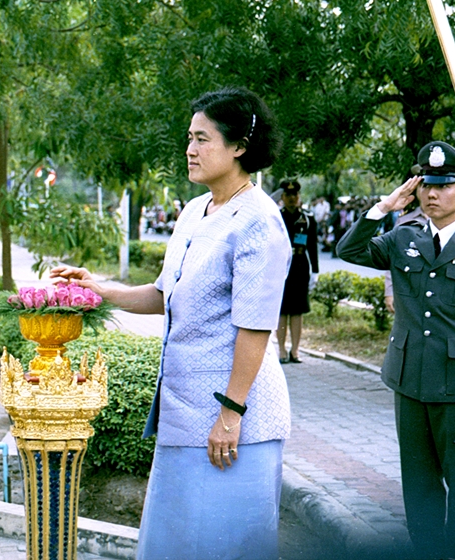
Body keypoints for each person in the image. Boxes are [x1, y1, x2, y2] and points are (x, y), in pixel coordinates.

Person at [52, 87, 292, 559]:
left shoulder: (258, 221)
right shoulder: (194, 211)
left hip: (234, 422)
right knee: (176, 543)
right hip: (184, 413)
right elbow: (166, 295)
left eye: (202, 139)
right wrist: (98, 289)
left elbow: (255, 327)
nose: (190, 149)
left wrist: (230, 415)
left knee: (226, 546)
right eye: (189, 138)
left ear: (240, 146)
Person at [336, 141, 455, 559]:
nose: (432, 194)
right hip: (409, 378)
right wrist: (384, 207)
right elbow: (348, 250)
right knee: (418, 481)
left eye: (444, 186)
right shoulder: (402, 237)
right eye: (427, 185)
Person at [275, 179, 318, 364]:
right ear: (283, 197)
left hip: (300, 265)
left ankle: (295, 350)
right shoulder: (276, 217)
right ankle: (282, 349)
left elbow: (313, 246)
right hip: (280, 266)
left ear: (299, 196)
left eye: (295, 195)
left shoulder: (307, 219)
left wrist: (315, 271)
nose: (292, 198)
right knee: (282, 310)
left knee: (297, 311)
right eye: (288, 195)